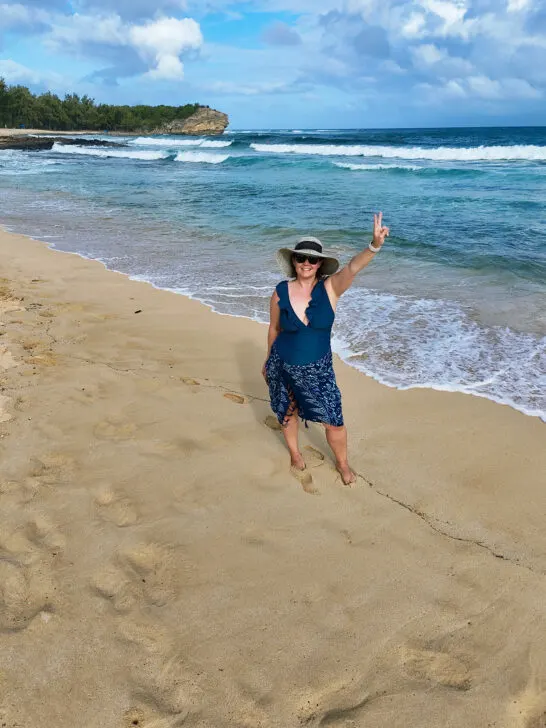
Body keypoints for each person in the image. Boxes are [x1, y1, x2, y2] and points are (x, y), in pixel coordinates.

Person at [262, 212, 390, 485]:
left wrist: (374, 245)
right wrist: (267, 360)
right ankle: (295, 453)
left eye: (312, 259)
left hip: (319, 370)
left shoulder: (330, 288)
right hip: (281, 363)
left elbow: (353, 267)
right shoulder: (280, 291)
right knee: (287, 411)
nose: (306, 263)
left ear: (320, 264)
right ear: (293, 261)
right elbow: (274, 329)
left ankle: (343, 464)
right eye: (301, 258)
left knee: (333, 420)